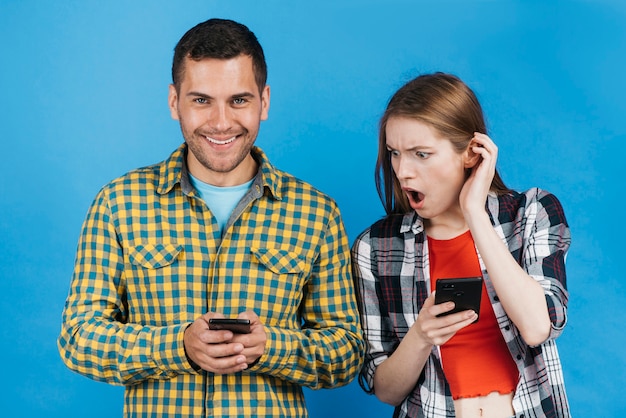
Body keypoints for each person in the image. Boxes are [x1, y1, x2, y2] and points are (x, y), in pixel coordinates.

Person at [57, 18, 364, 417]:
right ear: (174, 102)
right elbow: (79, 337)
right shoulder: (118, 203)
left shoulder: (316, 212)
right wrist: (178, 346)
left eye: (239, 100)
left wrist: (273, 347)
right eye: (201, 100)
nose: (221, 122)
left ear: (264, 101)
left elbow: (346, 351)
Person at [351, 72, 571, 417]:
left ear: (471, 153)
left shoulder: (531, 214)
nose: (402, 171)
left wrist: (474, 213)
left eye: (421, 154)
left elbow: (537, 327)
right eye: (394, 153)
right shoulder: (376, 247)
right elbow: (386, 390)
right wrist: (421, 336)